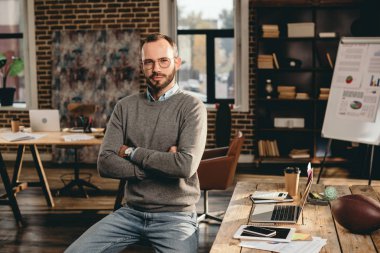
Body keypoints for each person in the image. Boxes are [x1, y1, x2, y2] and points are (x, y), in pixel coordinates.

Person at [65, 33, 207, 253]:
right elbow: (105, 163)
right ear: (142, 66)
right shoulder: (125, 107)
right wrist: (163, 162)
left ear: (177, 63)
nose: (156, 68)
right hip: (130, 212)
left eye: (163, 61)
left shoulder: (192, 106)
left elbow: (184, 166)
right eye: (149, 62)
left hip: (176, 216)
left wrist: (131, 152)